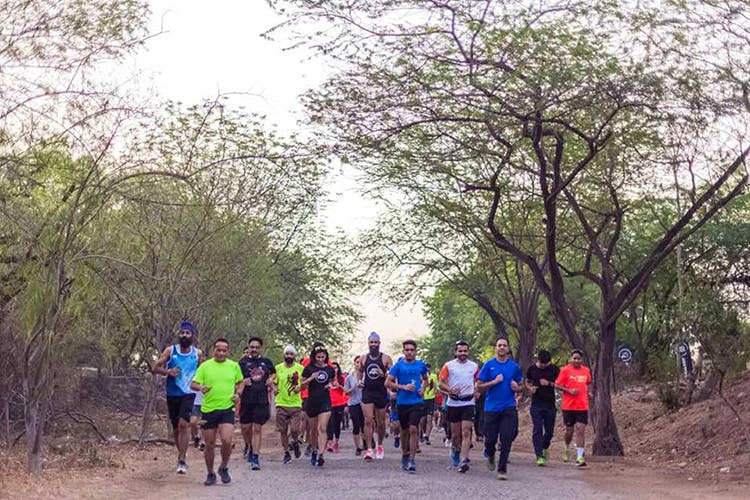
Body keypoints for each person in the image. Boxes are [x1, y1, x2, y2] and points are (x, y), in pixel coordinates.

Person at [190, 338, 244, 486]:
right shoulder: (205, 366)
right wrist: (200, 388)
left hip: (227, 408)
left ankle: (223, 467)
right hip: (208, 410)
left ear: (228, 351)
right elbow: (193, 384)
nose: (221, 353)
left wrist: (238, 394)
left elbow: (240, 382)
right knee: (209, 444)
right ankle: (210, 473)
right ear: (213, 350)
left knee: (227, 440)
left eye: (224, 350)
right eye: (218, 350)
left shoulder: (234, 366)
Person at [153, 320, 204, 474]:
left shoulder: (198, 353)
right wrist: (168, 372)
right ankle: (180, 453)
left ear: (192, 336)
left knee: (184, 425)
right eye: (182, 333)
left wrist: (202, 387)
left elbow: (203, 371)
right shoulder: (170, 351)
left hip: (189, 393)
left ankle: (182, 459)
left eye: (187, 333)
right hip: (172, 393)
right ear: (179, 335)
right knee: (176, 429)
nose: (184, 335)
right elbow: (155, 368)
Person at [476, 337, 523, 480]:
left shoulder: (514, 366)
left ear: (508, 349)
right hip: (491, 407)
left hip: (508, 406)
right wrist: (494, 382)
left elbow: (521, 385)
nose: (502, 347)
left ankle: (502, 470)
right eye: (499, 345)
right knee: (490, 439)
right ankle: (490, 454)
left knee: (507, 437)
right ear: (496, 348)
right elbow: (479, 385)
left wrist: (518, 387)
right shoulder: (488, 365)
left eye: (504, 345)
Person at [386, 340, 428, 473]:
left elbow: (426, 379)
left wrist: (423, 388)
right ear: (403, 351)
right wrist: (402, 387)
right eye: (407, 350)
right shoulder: (398, 366)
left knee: (414, 429)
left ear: (415, 351)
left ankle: (412, 459)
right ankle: (405, 453)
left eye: (412, 350)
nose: (409, 352)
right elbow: (387, 382)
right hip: (402, 402)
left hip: (416, 401)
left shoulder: (421, 365)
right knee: (404, 431)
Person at [438, 341, 478, 473]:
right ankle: (455, 450)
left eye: (465, 351)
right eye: (460, 351)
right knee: (456, 434)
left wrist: (477, 390)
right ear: (456, 352)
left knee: (466, 431)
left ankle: (464, 459)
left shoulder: (474, 366)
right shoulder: (448, 366)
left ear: (468, 351)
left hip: (468, 402)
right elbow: (441, 383)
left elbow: (479, 381)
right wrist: (450, 389)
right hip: (454, 403)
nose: (463, 353)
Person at [238, 336, 276, 470]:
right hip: (247, 399)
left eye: (256, 347)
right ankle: (248, 445)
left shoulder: (266, 362)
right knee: (245, 427)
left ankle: (255, 457)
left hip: (261, 399)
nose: (254, 349)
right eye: (252, 347)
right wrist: (242, 383)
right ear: (248, 348)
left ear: (261, 348)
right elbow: (236, 379)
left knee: (257, 428)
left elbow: (273, 373)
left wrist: (271, 379)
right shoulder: (242, 363)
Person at [552, 349, 592, 467]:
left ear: (582, 360)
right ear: (571, 359)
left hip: (582, 405)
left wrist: (588, 393)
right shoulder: (565, 370)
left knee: (580, 429)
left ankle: (580, 457)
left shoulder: (586, 371)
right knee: (570, 430)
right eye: (574, 358)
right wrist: (569, 390)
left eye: (578, 358)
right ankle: (566, 446)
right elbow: (557, 385)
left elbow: (588, 383)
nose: (576, 360)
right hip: (568, 405)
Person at [358, 331, 393, 460]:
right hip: (368, 391)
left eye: (376, 342)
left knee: (381, 422)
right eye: (371, 342)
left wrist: (383, 374)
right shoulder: (363, 358)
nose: (373, 345)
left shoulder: (386, 358)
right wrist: (359, 381)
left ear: (379, 343)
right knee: (368, 420)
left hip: (381, 392)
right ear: (368, 343)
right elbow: (359, 370)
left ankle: (380, 445)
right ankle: (369, 449)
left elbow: (392, 374)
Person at [301, 345, 338, 467]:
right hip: (312, 401)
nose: (321, 359)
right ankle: (314, 450)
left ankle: (321, 454)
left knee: (322, 428)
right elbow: (302, 385)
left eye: (323, 357)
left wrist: (331, 385)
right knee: (313, 431)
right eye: (318, 357)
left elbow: (333, 382)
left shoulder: (330, 369)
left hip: (325, 401)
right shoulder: (308, 368)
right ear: (314, 357)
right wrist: (311, 378)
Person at [525, 349, 560, 466]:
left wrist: (549, 384)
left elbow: (561, 385)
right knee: (537, 429)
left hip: (550, 404)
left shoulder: (555, 369)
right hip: (536, 404)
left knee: (549, 432)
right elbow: (527, 381)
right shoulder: (532, 369)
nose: (544, 366)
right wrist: (530, 388)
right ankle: (539, 455)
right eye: (542, 364)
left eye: (546, 364)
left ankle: (545, 447)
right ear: (538, 360)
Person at [274, 345, 304, 464]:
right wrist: (274, 388)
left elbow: (304, 382)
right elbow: (273, 382)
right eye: (287, 354)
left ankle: (295, 441)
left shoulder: (300, 368)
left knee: (295, 429)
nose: (289, 356)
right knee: (283, 430)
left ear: (294, 356)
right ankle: (286, 452)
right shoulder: (278, 368)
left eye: (291, 354)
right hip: (281, 403)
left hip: (295, 403)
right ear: (284, 355)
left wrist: (300, 387)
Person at [344, 356, 365, 455]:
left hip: (365, 403)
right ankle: (357, 447)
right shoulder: (349, 377)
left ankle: (366, 442)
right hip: (353, 403)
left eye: (360, 362)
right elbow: (346, 392)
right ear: (354, 363)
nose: (358, 364)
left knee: (365, 424)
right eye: (357, 362)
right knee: (356, 425)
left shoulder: (366, 376)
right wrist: (353, 388)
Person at [326, 361, 348, 453]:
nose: (334, 369)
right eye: (333, 367)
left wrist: (340, 386)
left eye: (336, 368)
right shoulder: (327, 378)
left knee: (337, 423)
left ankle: (336, 442)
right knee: (329, 423)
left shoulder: (342, 378)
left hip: (340, 403)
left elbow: (347, 390)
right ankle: (330, 442)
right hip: (329, 403)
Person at [420, 363, 438, 446]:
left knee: (429, 418)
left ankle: (427, 436)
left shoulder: (434, 376)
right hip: (422, 399)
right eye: (426, 368)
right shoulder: (420, 375)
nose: (427, 369)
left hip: (431, 399)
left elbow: (436, 386)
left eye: (429, 368)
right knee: (422, 419)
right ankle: (421, 433)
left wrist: (435, 390)